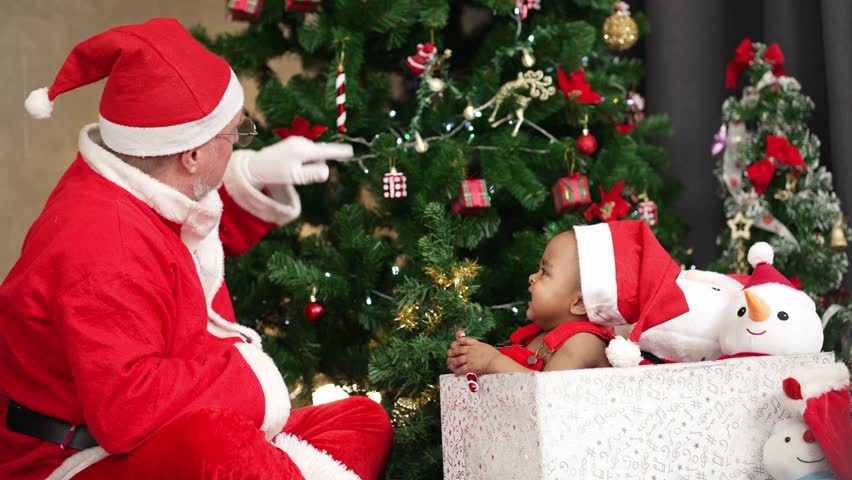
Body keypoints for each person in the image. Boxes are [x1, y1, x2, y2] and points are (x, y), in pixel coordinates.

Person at [0, 18, 392, 480]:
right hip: (75, 457)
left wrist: (253, 175)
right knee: (221, 447)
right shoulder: (104, 248)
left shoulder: (134, 185)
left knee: (360, 419)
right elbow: (129, 411)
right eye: (236, 135)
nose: (243, 141)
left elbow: (178, 248)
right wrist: (247, 379)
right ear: (191, 155)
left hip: (149, 432)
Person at [447, 230, 614, 374]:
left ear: (579, 304)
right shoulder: (537, 336)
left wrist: (492, 362)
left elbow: (550, 393)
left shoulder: (584, 342)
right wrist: (469, 358)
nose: (532, 277)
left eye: (545, 272)